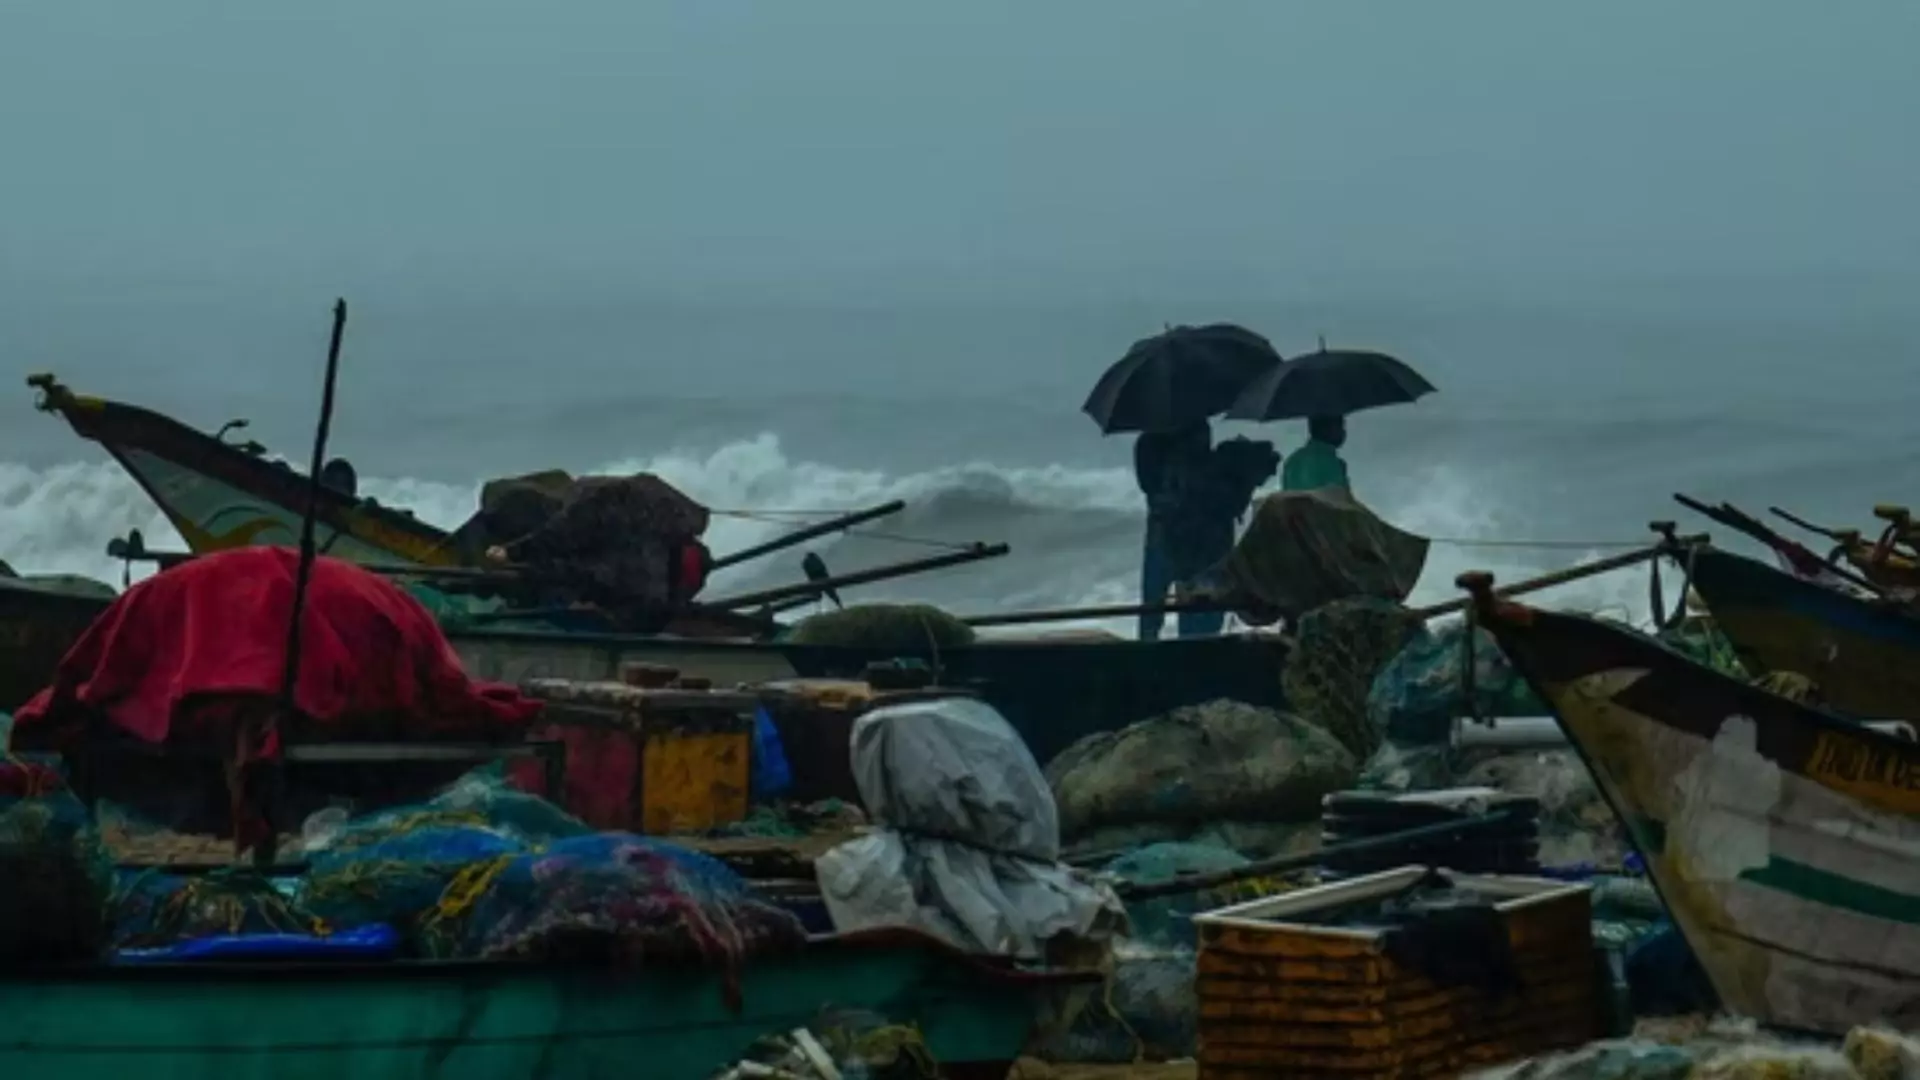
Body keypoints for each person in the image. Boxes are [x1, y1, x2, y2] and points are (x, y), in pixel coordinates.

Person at [1134, 421, 1211, 640]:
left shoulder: (1147, 441)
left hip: (1160, 533)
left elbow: (1148, 485)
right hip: (1196, 538)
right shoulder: (1197, 428)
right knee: (1195, 614)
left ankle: (1146, 659)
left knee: (1152, 609)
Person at [1282, 414, 1350, 492]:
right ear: (1325, 428)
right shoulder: (1329, 461)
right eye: (1340, 426)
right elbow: (1340, 500)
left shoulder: (1292, 461)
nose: (1343, 432)